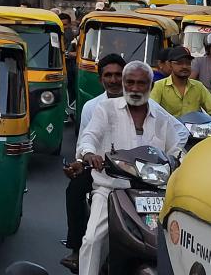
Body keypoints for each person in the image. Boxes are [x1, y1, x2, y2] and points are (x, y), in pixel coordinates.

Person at [75, 61, 185, 275]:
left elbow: (177, 147)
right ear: (124, 84)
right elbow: (90, 136)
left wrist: (179, 161)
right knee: (92, 239)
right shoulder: (105, 109)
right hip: (111, 190)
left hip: (154, 194)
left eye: (141, 83)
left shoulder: (161, 118)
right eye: (130, 83)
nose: (135, 89)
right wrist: (88, 153)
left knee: (175, 240)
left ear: (151, 86)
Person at [59, 53, 126, 273]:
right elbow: (84, 142)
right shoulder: (91, 107)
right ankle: (76, 250)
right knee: (74, 189)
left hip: (138, 172)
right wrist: (82, 161)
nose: (114, 80)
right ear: (101, 80)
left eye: (118, 75)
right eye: (109, 75)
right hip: (101, 170)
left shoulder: (143, 103)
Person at [151, 45, 211, 131]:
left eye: (188, 63)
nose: (184, 66)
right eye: (179, 63)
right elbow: (152, 111)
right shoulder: (159, 86)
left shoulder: (198, 86)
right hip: (169, 134)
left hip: (196, 133)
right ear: (170, 65)